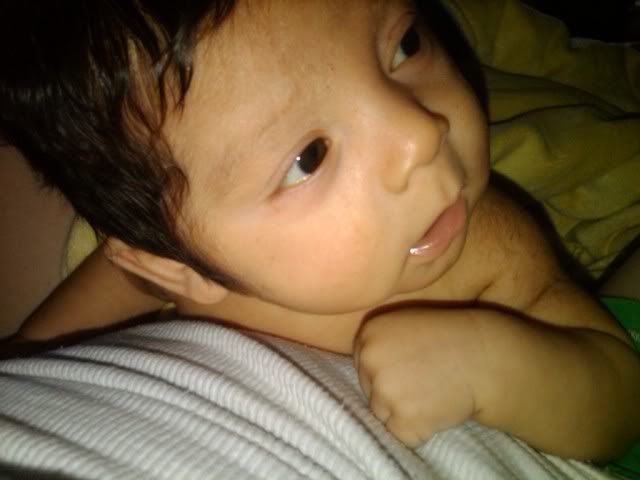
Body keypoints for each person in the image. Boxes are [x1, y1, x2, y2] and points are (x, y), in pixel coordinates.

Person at [1, 0, 639, 462]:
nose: (421, 133)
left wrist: (496, 366)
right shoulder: (189, 263)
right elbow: (121, 281)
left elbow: (621, 399)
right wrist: (30, 351)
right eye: (309, 157)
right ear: (183, 265)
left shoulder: (488, 247)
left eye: (403, 45)